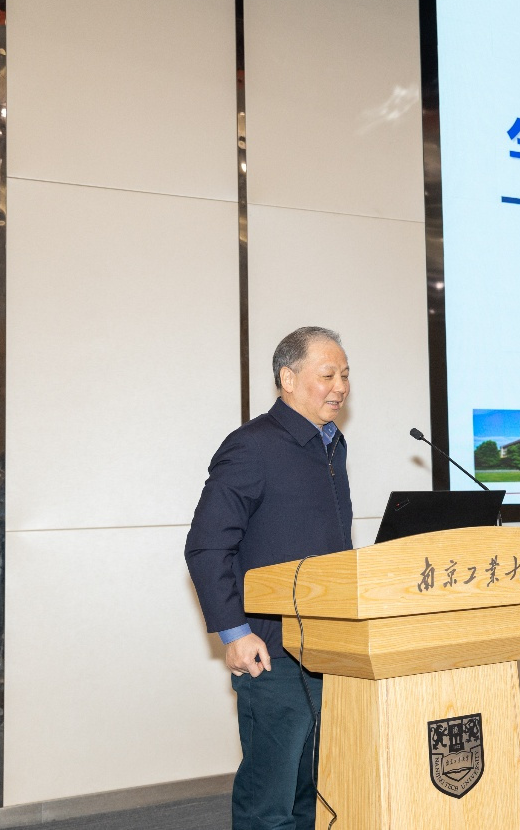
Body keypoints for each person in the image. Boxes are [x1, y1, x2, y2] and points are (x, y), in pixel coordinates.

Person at [185, 326, 353, 830]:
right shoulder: (252, 446)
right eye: (328, 375)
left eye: (345, 375)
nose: (340, 387)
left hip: (327, 646)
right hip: (271, 654)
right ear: (288, 378)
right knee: (269, 801)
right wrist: (235, 633)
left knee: (313, 795)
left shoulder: (332, 445)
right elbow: (206, 545)